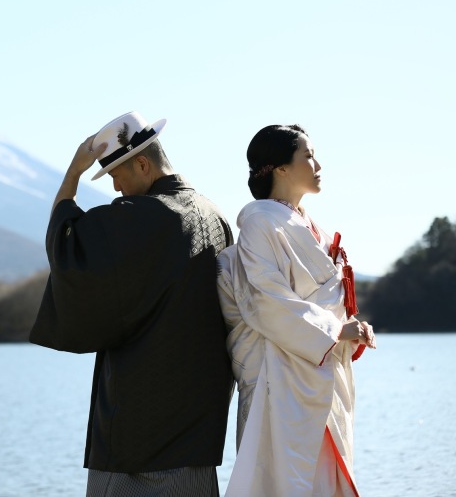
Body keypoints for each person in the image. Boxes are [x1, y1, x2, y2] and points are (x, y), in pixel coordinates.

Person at [29, 111, 234, 496]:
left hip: (135, 430)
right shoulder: (216, 216)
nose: (116, 188)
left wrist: (73, 172)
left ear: (142, 163)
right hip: (197, 432)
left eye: (115, 176)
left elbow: (67, 244)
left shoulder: (142, 216)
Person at [216, 124, 377, 497]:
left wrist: (350, 326)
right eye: (307, 155)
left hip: (317, 366)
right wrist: (335, 330)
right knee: (283, 479)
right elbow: (265, 300)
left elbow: (322, 303)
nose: (317, 164)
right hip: (281, 374)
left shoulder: (309, 227)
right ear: (280, 168)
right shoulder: (260, 222)